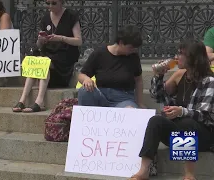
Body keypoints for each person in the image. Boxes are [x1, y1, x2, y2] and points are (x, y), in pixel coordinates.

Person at [130, 40, 214, 180]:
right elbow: (158, 96)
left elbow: (205, 115)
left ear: (193, 57)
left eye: (181, 54)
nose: (177, 57)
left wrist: (181, 111)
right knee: (156, 120)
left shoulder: (209, 81)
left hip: (204, 137)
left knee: (187, 123)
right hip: (180, 133)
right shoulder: (181, 76)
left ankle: (189, 174)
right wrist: (158, 75)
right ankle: (143, 171)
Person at [12, 0, 82, 113]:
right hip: (49, 54)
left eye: (54, 3)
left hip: (65, 56)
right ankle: (22, 100)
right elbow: (39, 45)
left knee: (44, 63)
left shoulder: (71, 16)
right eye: (48, 3)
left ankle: (39, 101)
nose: (50, 6)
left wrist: (61, 38)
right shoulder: (45, 18)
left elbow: (78, 41)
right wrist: (41, 40)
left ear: (61, 2)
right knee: (37, 62)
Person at [77, 25, 145, 108]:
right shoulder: (99, 54)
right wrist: (86, 79)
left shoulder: (133, 57)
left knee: (129, 111)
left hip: (123, 98)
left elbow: (138, 80)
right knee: (84, 91)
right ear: (121, 43)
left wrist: (140, 102)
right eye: (130, 48)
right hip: (101, 95)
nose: (133, 51)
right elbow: (82, 75)